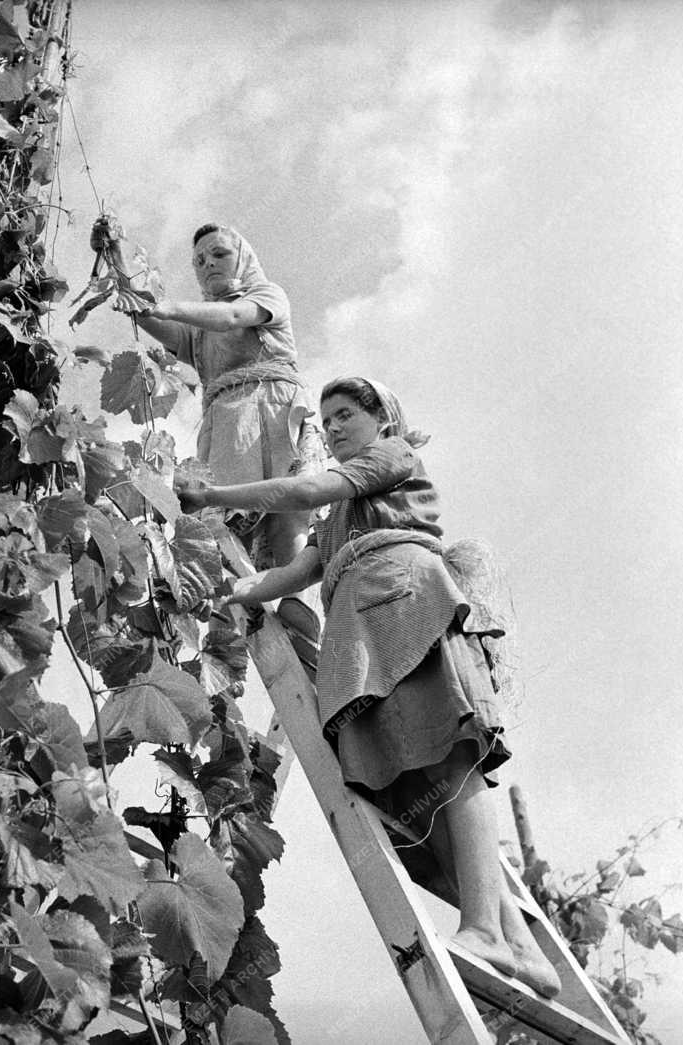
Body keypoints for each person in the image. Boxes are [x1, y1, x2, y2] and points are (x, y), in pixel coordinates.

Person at [174, 376, 561, 998]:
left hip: (406, 600)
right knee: (420, 782)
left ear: (382, 419)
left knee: (451, 754)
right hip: (363, 629)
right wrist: (223, 586)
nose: (333, 428)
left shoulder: (393, 455)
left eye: (345, 414)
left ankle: (484, 924)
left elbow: (304, 487)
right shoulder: (336, 522)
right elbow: (289, 574)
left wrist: (212, 494)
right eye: (326, 421)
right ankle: (519, 946)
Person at [95, 218, 325, 572]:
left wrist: (163, 306)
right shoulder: (197, 332)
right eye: (200, 261)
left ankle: (297, 605)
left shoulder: (265, 294)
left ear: (243, 258)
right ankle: (241, 606)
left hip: (273, 405)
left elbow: (232, 316)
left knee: (287, 507)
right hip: (227, 422)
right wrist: (114, 258)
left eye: (220, 254)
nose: (209, 264)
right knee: (224, 520)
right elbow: (143, 311)